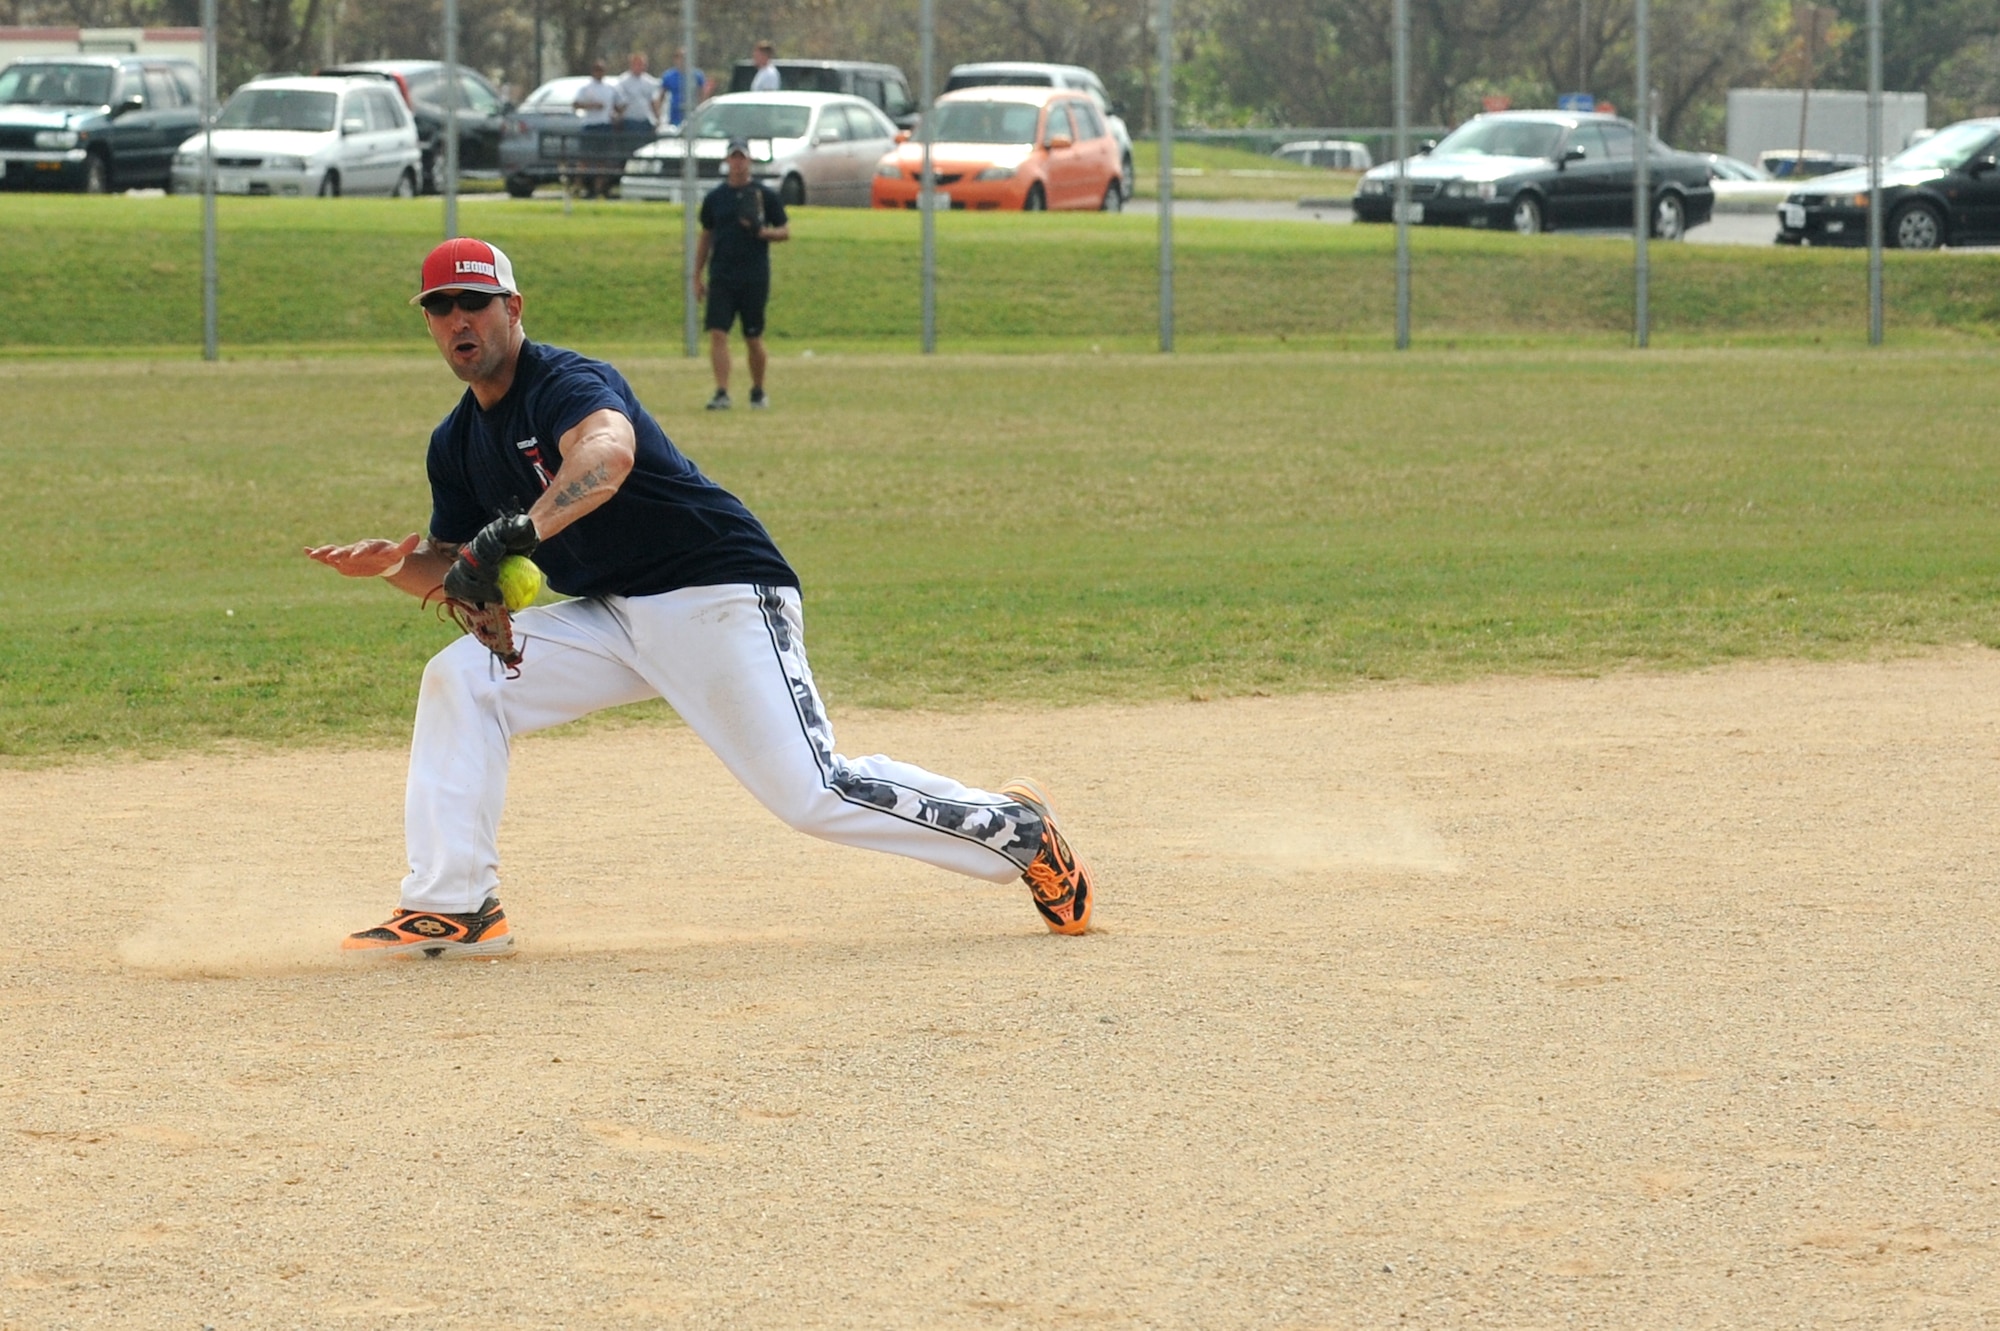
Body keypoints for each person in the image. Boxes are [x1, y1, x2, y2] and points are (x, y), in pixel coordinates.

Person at [304, 237, 1094, 958]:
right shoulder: (456, 442)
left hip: (716, 592)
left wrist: (515, 534)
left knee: (813, 793)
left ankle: (1017, 831)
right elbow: (455, 564)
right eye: (439, 307)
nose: (456, 320)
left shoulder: (565, 382)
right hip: (614, 615)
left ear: (512, 308)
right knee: (459, 678)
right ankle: (455, 908)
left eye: (473, 302)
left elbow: (607, 455)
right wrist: (393, 565)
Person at [695, 138, 786, 411]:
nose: (737, 162)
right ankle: (722, 391)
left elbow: (784, 230)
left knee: (752, 336)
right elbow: (706, 236)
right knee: (718, 333)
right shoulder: (715, 198)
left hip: (754, 276)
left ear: (749, 161)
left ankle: (758, 390)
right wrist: (696, 275)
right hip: (722, 275)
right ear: (727, 161)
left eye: (742, 157)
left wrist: (762, 232)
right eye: (733, 157)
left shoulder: (763, 195)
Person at [571, 58, 619, 197]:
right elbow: (576, 104)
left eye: (602, 70)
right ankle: (577, 187)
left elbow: (619, 104)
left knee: (602, 160)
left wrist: (617, 115)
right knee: (584, 159)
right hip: (590, 125)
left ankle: (599, 189)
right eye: (597, 70)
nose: (599, 73)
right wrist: (592, 106)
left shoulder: (610, 89)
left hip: (604, 126)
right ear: (593, 72)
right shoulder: (586, 88)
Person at [654, 48, 706, 127]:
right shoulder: (668, 76)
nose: (683, 61)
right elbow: (661, 97)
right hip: (675, 114)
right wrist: (658, 116)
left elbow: (702, 95)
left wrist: (701, 111)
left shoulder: (697, 75)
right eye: (680, 58)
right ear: (675, 59)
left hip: (692, 113)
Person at [612, 51, 658, 129]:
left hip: (645, 121)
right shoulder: (623, 81)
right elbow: (617, 102)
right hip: (628, 121)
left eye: (641, 64)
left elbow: (652, 102)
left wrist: (657, 118)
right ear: (631, 64)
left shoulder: (649, 81)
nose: (639, 66)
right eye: (637, 64)